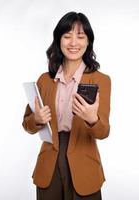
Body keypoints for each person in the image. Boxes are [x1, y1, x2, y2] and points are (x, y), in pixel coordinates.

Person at [22, 11, 111, 200]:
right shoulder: (44, 80)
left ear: (88, 42)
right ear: (58, 40)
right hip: (49, 165)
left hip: (84, 165)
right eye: (67, 36)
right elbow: (26, 125)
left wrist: (92, 119)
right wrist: (36, 120)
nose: (73, 43)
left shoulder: (101, 80)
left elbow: (103, 132)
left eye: (80, 36)